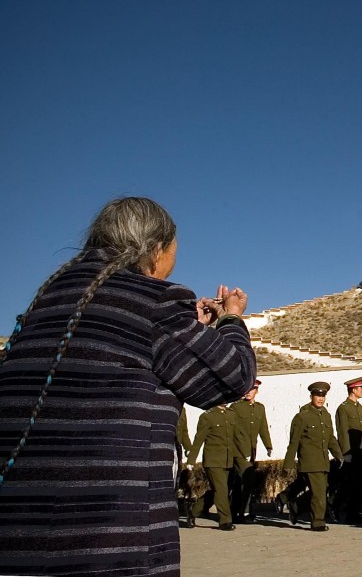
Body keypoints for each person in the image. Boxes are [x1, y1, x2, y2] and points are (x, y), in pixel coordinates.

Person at [0, 196, 256, 576]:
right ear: (155, 250)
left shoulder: (45, 303)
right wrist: (231, 319)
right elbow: (232, 378)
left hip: (19, 539)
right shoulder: (156, 300)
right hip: (107, 539)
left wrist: (188, 332)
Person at [280, 382, 344, 531]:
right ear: (311, 397)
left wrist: (338, 455)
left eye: (323, 396)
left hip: (323, 461)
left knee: (319, 491)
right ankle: (318, 522)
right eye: (317, 395)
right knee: (319, 493)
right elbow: (294, 441)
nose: (320, 399)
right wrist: (288, 463)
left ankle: (296, 506)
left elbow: (330, 438)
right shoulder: (302, 417)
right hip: (309, 461)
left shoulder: (326, 416)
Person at [187, 403, 247, 530]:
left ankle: (194, 510)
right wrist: (191, 460)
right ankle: (225, 521)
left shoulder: (231, 414)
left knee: (220, 490)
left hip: (227, 460)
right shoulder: (207, 416)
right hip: (213, 460)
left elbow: (237, 437)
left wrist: (244, 454)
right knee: (221, 490)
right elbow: (199, 439)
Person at [229, 379, 272, 523]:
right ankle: (244, 512)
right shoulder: (236, 407)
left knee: (238, 483)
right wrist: (243, 451)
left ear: (256, 391)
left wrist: (268, 446)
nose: (248, 392)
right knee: (248, 479)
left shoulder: (259, 408)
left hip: (252, 451)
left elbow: (263, 427)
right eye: (246, 389)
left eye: (252, 389)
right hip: (239, 452)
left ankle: (234, 512)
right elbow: (234, 431)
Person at [334, 376, 362, 525]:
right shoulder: (344, 408)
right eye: (360, 388)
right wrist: (346, 453)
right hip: (352, 452)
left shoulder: (359, 407)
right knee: (350, 484)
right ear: (353, 390)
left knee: (361, 484)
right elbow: (342, 432)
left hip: (361, 451)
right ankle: (338, 508)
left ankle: (354, 513)